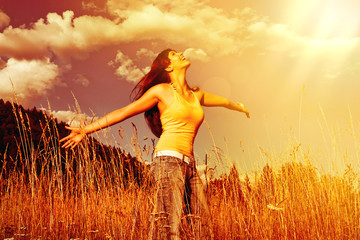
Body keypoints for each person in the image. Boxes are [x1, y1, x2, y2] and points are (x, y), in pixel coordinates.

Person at [60, 49, 250, 239]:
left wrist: (238, 107)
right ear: (168, 65)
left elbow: (223, 101)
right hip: (168, 163)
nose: (181, 53)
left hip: (190, 165)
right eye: (174, 54)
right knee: (167, 228)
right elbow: (124, 112)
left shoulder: (196, 95)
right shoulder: (161, 91)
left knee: (203, 228)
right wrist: (85, 130)